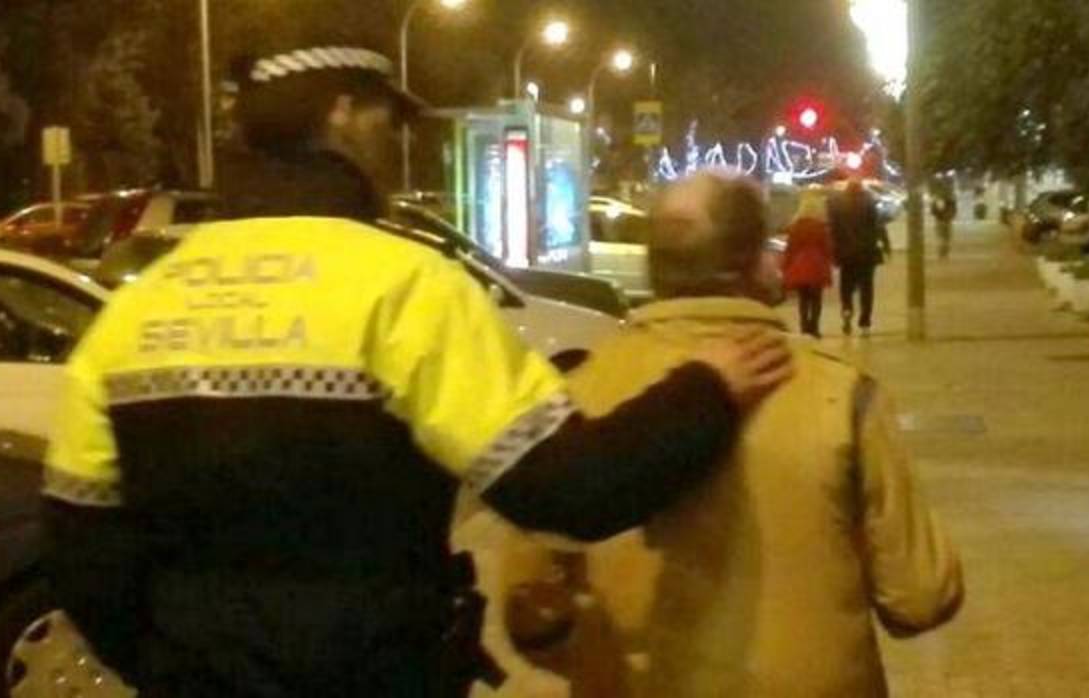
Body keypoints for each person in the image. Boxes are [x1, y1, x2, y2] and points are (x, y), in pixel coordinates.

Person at [39, 45, 795, 698]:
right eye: (388, 121)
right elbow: (567, 488)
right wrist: (706, 390)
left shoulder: (137, 309)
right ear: (341, 115)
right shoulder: (406, 286)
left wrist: (176, 661)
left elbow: (79, 546)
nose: (395, 145)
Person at [503, 171, 963, 697]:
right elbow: (920, 597)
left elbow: (530, 611)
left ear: (653, 267)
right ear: (756, 262)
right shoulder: (842, 395)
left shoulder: (573, 396)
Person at [830, 178, 892, 337]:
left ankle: (847, 311)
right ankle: (865, 322)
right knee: (867, 288)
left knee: (846, 286)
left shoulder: (838, 204)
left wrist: (833, 251)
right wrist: (886, 246)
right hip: (866, 252)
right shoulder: (869, 202)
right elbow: (878, 226)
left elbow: (833, 230)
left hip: (846, 254)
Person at [780, 188, 834, 337]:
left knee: (803, 299)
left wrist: (785, 266)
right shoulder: (821, 227)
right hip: (817, 265)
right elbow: (827, 247)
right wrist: (830, 261)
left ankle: (804, 326)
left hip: (800, 265)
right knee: (817, 299)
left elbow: (790, 248)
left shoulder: (796, 227)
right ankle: (814, 327)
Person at [931, 190, 959, 260]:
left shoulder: (938, 200)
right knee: (946, 238)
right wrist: (950, 217)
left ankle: (942, 252)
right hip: (946, 221)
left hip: (940, 221)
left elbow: (933, 211)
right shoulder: (951, 201)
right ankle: (944, 253)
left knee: (942, 238)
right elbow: (954, 211)